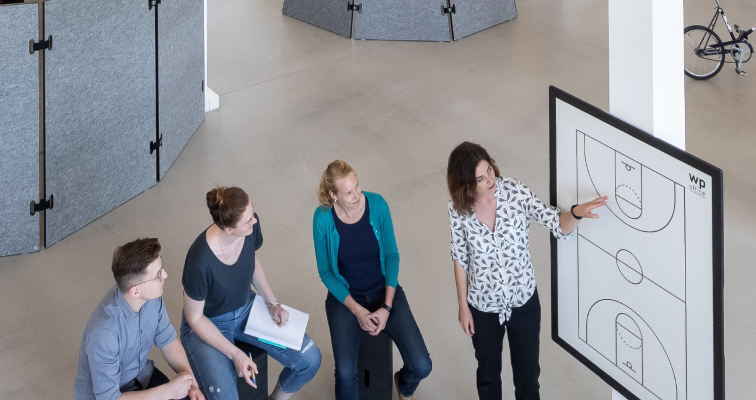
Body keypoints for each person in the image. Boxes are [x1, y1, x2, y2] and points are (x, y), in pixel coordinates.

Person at [445, 142, 607, 400]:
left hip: (523, 303)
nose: (490, 180)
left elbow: (555, 223)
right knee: (488, 377)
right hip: (483, 306)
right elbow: (460, 257)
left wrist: (576, 214)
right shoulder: (457, 209)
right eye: (480, 178)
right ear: (465, 184)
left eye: (489, 170)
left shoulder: (514, 192)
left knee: (528, 380)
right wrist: (463, 306)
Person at [179, 187, 322, 400]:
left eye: (252, 213)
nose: (254, 221)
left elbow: (251, 259)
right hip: (209, 323)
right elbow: (195, 318)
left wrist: (272, 303)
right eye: (247, 221)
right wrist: (235, 354)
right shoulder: (199, 261)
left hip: (246, 308)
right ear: (229, 229)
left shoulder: (249, 227)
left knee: (310, 359)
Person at [310, 161, 433, 399]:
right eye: (348, 192)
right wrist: (357, 310)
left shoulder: (377, 205)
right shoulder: (322, 219)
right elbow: (326, 273)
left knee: (422, 366)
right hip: (345, 298)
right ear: (333, 195)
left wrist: (386, 307)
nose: (357, 195)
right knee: (345, 373)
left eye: (357, 186)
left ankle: (404, 385)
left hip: (383, 291)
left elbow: (392, 256)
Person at [75, 238, 206, 400]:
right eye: (158, 275)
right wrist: (168, 392)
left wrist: (191, 382)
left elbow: (168, 341)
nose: (165, 275)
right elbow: (109, 398)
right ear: (135, 291)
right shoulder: (104, 333)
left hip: (140, 376)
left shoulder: (151, 296)